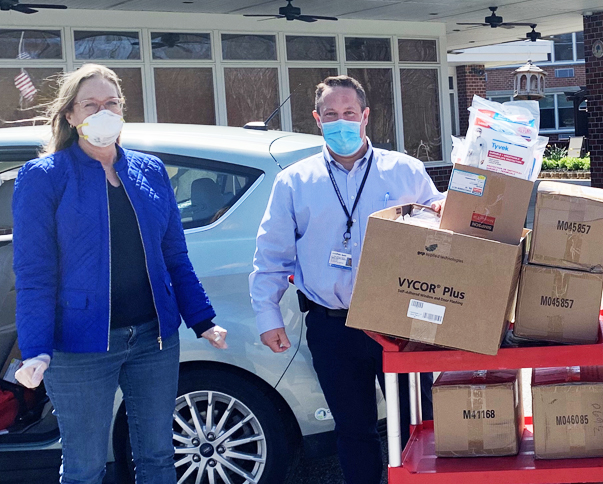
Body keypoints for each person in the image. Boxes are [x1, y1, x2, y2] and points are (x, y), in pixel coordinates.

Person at [12, 63, 228, 484]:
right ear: (70, 115)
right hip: (80, 347)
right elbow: (35, 274)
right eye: (90, 104)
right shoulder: (43, 178)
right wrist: (37, 349)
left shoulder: (148, 171)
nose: (102, 111)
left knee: (158, 458)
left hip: (153, 339)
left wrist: (203, 319)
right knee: (84, 467)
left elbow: (175, 257)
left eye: (110, 103)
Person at [250, 75, 444, 484]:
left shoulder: (405, 171)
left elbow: (444, 233)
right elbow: (272, 253)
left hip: (400, 325)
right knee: (354, 431)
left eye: (349, 113)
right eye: (332, 115)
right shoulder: (295, 182)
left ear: (366, 117)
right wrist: (268, 315)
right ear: (317, 120)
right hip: (333, 326)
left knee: (418, 427)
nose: (342, 122)